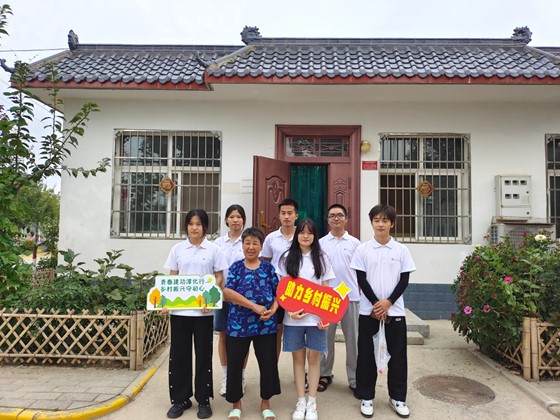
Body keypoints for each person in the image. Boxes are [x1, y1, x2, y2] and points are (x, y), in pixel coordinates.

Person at [350, 205, 416, 419]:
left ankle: (397, 398)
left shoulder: (401, 250)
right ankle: (366, 396)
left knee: (398, 356)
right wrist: (377, 304)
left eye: (385, 220)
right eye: (377, 220)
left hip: (395, 311)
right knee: (366, 355)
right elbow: (361, 279)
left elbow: (404, 280)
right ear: (371, 222)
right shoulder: (363, 249)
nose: (380, 224)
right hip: (368, 311)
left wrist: (388, 303)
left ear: (392, 224)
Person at [163, 209, 228, 419]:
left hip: (203, 314)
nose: (194, 227)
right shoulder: (178, 249)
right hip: (180, 312)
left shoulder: (214, 249)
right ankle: (180, 399)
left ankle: (203, 399)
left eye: (198, 224)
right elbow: (172, 277)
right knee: (179, 356)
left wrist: (211, 298)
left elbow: (219, 277)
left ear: (205, 227)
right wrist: (165, 302)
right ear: (186, 226)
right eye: (191, 224)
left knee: (203, 356)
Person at [277, 218, 335, 420]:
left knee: (314, 358)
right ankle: (301, 400)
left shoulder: (322, 258)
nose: (305, 236)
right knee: (298, 358)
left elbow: (327, 290)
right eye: (302, 232)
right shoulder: (287, 257)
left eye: (309, 232)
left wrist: (326, 316)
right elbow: (281, 289)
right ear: (297, 234)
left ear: (315, 236)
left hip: (316, 320)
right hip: (293, 319)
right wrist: (289, 311)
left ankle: (312, 402)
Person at [223, 227, 281, 420]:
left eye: (255, 243)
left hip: (265, 324)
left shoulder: (268, 268)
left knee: (267, 363)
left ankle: (265, 403)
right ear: (242, 245)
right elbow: (227, 292)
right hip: (238, 325)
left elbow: (279, 294)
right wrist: (253, 306)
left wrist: (273, 309)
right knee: (235, 363)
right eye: (247, 243)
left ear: (261, 246)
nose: (251, 247)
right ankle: (236, 404)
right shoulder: (236, 267)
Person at [318, 204, 361, 395]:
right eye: (332, 215)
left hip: (350, 297)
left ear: (346, 219)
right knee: (325, 339)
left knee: (353, 341)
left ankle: (355, 379)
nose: (336, 218)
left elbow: (361, 272)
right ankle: (323, 374)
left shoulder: (355, 243)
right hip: (327, 299)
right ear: (328, 220)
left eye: (340, 215)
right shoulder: (320, 243)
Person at [214, 204, 248, 397]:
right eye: (232, 216)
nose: (235, 220)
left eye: (239, 216)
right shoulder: (218, 243)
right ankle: (227, 377)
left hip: (243, 299)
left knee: (243, 338)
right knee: (224, 336)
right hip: (222, 297)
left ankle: (240, 376)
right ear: (226, 219)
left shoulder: (248, 241)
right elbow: (215, 270)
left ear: (243, 220)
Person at [260, 197, 299, 359]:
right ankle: (272, 369)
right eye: (283, 213)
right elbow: (264, 261)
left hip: (298, 289)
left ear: (296, 215)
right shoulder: (271, 238)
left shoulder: (303, 236)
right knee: (276, 330)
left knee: (298, 330)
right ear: (279, 215)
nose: (286, 217)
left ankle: (300, 369)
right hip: (276, 289)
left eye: (290, 213)